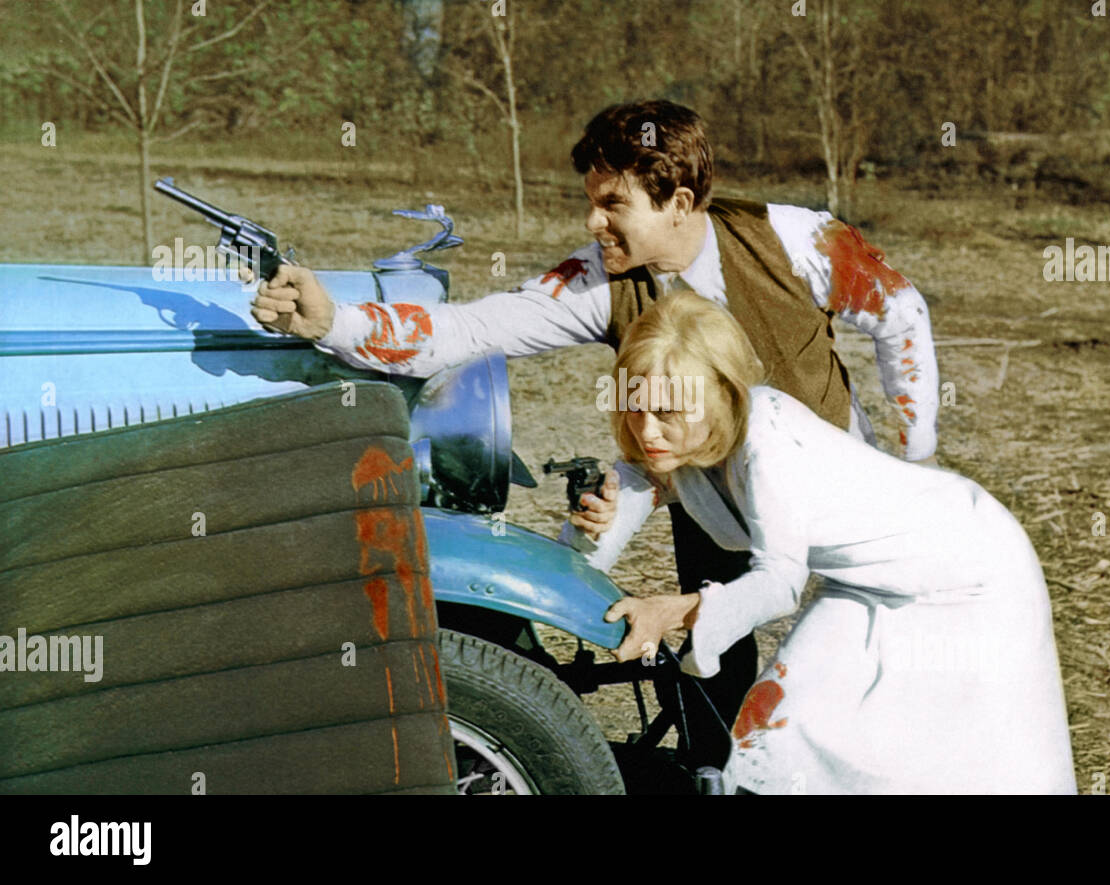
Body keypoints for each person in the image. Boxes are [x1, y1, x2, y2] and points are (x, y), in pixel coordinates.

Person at [248, 99, 941, 768]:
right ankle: (713, 775)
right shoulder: (597, 281)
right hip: (709, 493)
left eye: (614, 205)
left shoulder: (792, 237)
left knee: (867, 664)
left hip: (839, 489)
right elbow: (469, 329)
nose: (593, 220)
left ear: (679, 201)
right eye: (592, 200)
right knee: (714, 658)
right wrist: (331, 321)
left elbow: (902, 313)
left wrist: (915, 462)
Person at [575, 292, 1077, 794]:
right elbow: (581, 557)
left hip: (967, 566)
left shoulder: (768, 437)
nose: (647, 430)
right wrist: (590, 524)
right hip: (867, 582)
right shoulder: (669, 448)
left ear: (722, 394)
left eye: (667, 411)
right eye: (635, 408)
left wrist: (671, 611)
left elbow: (779, 584)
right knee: (790, 723)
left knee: (963, 752)